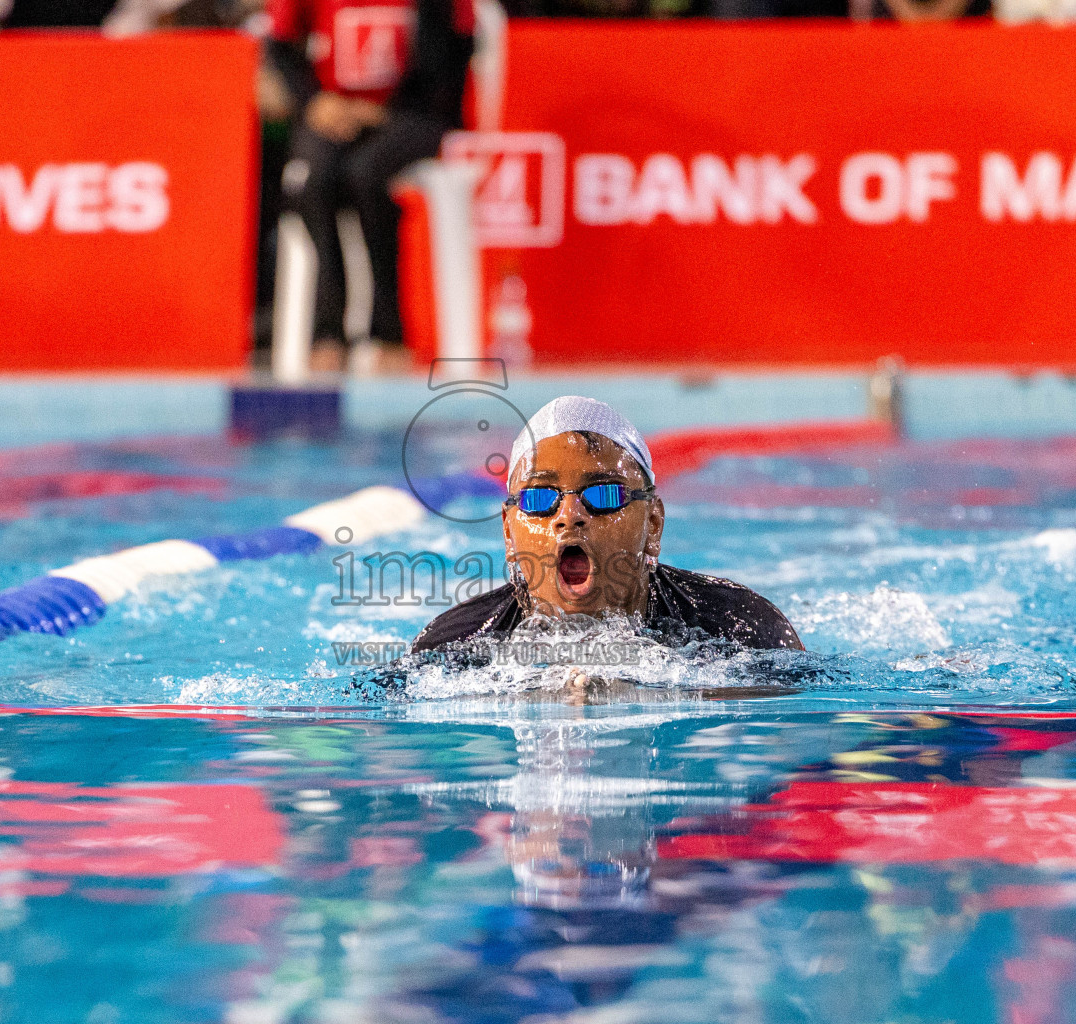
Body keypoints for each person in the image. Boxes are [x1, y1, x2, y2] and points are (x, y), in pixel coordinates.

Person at [410, 397, 803, 677]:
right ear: (509, 533)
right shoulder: (452, 646)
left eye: (604, 495)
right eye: (540, 498)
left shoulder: (741, 626)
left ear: (652, 525)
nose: (569, 517)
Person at [266, 0, 473, 373]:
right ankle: (328, 331)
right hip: (332, 109)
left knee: (366, 176)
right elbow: (281, 46)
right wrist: (315, 102)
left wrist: (387, 111)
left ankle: (388, 330)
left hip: (416, 114)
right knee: (316, 179)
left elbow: (454, 53)